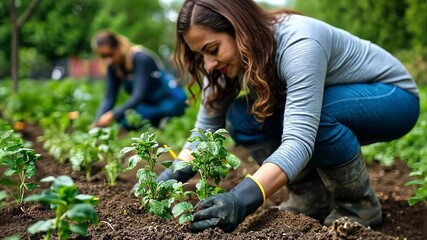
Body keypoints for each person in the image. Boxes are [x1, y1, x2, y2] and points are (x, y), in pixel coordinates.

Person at [157, 0, 420, 233]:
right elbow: (205, 130)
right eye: (200, 55)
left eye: (213, 49)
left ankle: (358, 207)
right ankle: (312, 197)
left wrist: (243, 198)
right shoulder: (222, 65)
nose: (208, 64)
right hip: (340, 101)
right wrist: (170, 177)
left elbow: (299, 140)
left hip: (393, 99)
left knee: (319, 115)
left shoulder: (299, 42)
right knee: (242, 117)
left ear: (240, 29)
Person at [91, 30, 188, 130]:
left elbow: (138, 97)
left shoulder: (141, 58)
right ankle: (157, 123)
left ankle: (164, 122)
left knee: (167, 111)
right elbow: (109, 97)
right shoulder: (113, 67)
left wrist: (113, 114)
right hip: (147, 105)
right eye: (103, 56)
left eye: (110, 54)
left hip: (169, 99)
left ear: (118, 47)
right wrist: (98, 122)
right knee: (126, 122)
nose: (108, 60)